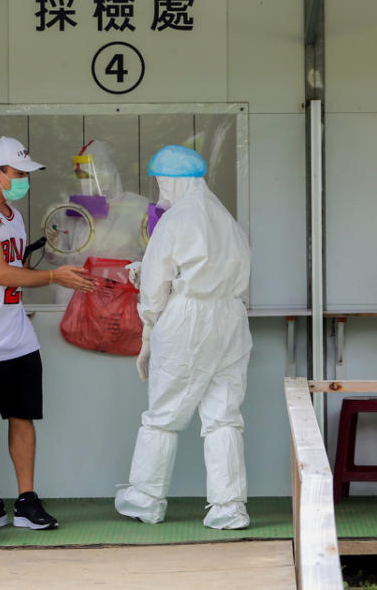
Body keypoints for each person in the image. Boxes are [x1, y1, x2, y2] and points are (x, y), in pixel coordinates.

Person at [0, 136, 95, 534]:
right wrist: (53, 276)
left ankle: (26, 501)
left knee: (23, 418)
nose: (24, 182)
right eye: (19, 174)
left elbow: (13, 265)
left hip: (17, 337)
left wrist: (44, 261)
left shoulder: (11, 215)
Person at [115, 145, 253, 530]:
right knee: (224, 418)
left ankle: (145, 500)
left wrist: (146, 334)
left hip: (187, 320)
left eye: (161, 181)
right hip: (230, 319)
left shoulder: (175, 220)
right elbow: (219, 271)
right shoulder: (227, 221)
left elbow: (157, 290)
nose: (160, 189)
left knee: (162, 416)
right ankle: (229, 509)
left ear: (171, 180)